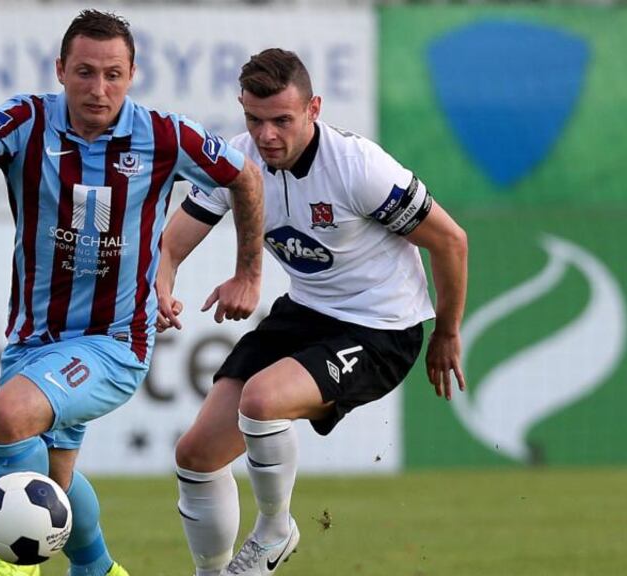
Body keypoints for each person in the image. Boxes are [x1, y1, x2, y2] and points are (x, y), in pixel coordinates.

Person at [0, 11, 264, 576]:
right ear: (60, 70)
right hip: (33, 340)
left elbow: (243, 177)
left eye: (112, 74)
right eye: (83, 72)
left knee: (10, 416)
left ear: (132, 74)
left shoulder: (164, 134)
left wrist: (248, 272)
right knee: (55, 477)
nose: (97, 88)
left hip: (115, 342)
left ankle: (15, 568)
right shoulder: (28, 119)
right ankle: (100, 569)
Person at [156, 48, 468, 576]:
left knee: (261, 400)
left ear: (314, 108)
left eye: (282, 120)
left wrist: (448, 330)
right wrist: (162, 289)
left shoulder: (359, 169)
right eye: (255, 120)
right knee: (196, 455)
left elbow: (451, 242)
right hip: (305, 311)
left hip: (381, 328)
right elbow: (170, 245)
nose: (267, 135)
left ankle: (276, 529)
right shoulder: (238, 159)